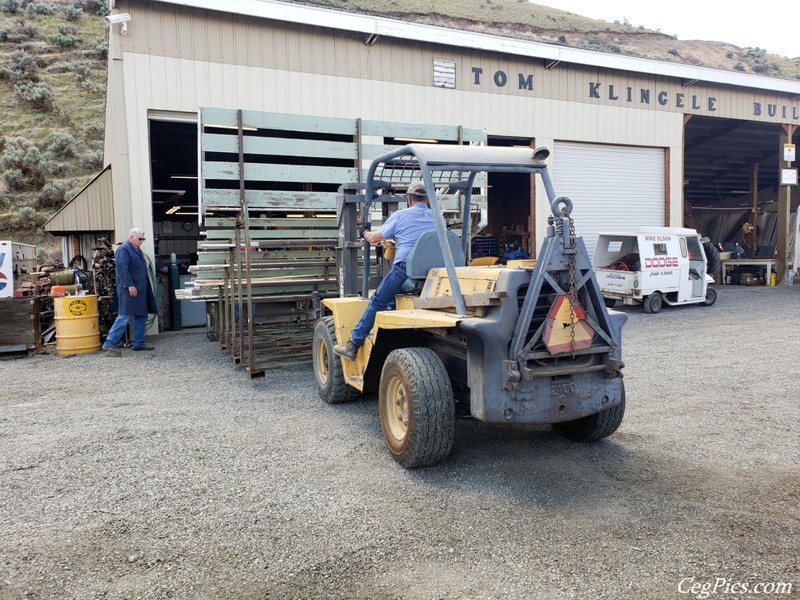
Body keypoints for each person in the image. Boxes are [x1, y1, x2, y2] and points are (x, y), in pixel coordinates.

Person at [333, 181, 437, 361]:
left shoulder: (401, 215)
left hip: (405, 268)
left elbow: (374, 239)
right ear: (427, 199)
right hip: (433, 272)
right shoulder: (438, 217)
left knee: (377, 300)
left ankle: (353, 344)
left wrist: (363, 232)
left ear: (408, 199)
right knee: (391, 301)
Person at [101, 228, 158, 356]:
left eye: (143, 239)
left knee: (141, 315)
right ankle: (109, 344)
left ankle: (138, 343)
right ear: (132, 237)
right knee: (124, 316)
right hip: (130, 289)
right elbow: (122, 269)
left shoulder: (137, 250)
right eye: (140, 239)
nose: (142, 241)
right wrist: (130, 285)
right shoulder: (124, 249)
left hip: (140, 289)